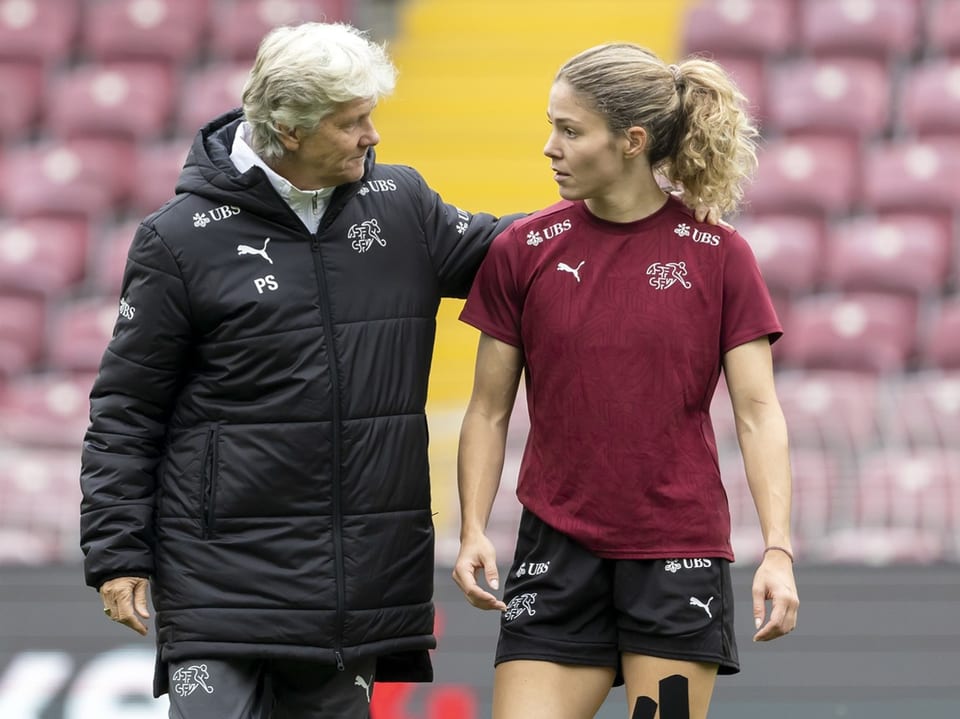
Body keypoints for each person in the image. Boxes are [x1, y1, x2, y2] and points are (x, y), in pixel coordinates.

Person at [78, 20, 526, 719]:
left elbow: (512, 254)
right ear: (289, 130)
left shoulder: (403, 204)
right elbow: (126, 411)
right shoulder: (176, 240)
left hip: (352, 585)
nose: (372, 135)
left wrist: (609, 209)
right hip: (219, 578)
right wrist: (116, 553)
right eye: (352, 123)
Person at [452, 43, 799, 719]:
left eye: (570, 130)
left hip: (676, 554)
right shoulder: (520, 249)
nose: (549, 147)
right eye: (551, 124)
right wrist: (471, 526)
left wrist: (778, 549)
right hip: (554, 550)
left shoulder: (721, 255)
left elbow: (759, 414)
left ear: (632, 140)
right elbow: (488, 411)